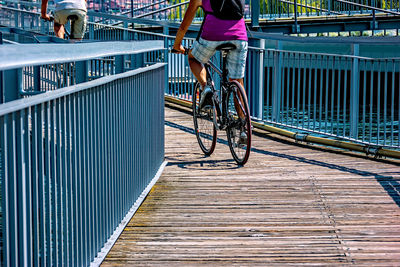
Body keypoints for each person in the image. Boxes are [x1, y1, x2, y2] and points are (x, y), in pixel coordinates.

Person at [172, 0, 248, 109]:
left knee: (193, 59)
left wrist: (177, 46)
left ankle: (206, 87)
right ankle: (244, 122)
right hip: (239, 37)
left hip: (212, 37)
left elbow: (184, 27)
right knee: (237, 81)